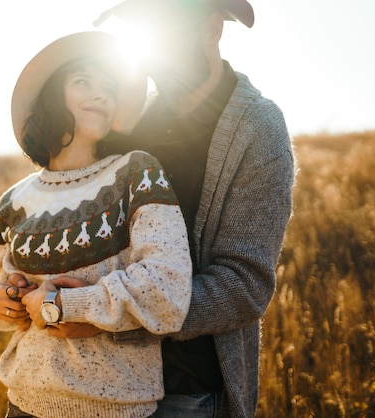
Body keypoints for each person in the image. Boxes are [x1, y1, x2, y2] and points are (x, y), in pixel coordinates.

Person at [85, 0, 296, 417]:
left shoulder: (258, 128)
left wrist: (111, 314)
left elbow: (243, 284)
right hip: (98, 381)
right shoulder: (130, 120)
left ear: (213, 30)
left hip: (186, 394)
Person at [0, 31, 193, 418]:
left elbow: (167, 288)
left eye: (108, 87)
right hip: (23, 403)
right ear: (52, 97)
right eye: (83, 82)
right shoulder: (14, 201)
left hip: (113, 408)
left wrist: (68, 305)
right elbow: (14, 307)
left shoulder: (136, 173)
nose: (102, 95)